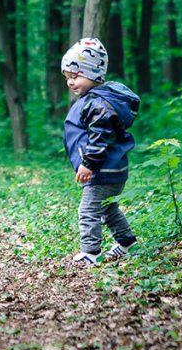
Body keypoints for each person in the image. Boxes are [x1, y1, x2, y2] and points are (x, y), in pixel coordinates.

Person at [60, 37, 140, 266]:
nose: (70, 82)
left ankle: (91, 252)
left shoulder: (99, 104)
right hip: (111, 169)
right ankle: (127, 243)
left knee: (88, 210)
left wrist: (89, 164)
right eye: (67, 77)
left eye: (75, 76)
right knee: (107, 208)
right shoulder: (96, 100)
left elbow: (100, 137)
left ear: (93, 74)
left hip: (102, 169)